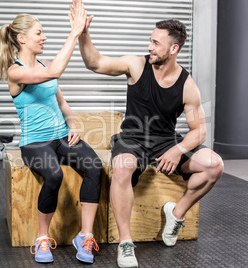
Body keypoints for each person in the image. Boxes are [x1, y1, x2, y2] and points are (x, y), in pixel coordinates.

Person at [78, 6, 224, 268]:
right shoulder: (137, 65)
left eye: (156, 43)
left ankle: (176, 215)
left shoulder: (187, 86)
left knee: (214, 165)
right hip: (132, 138)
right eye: (150, 41)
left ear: (174, 48)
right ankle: (125, 242)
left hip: (166, 141)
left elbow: (200, 131)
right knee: (122, 169)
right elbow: (95, 62)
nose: (150, 46)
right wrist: (82, 34)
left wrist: (178, 149)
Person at [0, 0, 101, 264]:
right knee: (53, 175)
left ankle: (85, 235)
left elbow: (61, 101)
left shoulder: (43, 67)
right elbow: (57, 70)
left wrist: (73, 125)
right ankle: (42, 237)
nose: (44, 37)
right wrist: (75, 32)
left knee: (94, 166)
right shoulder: (16, 71)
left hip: (62, 137)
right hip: (35, 144)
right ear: (21, 38)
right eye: (39, 33)